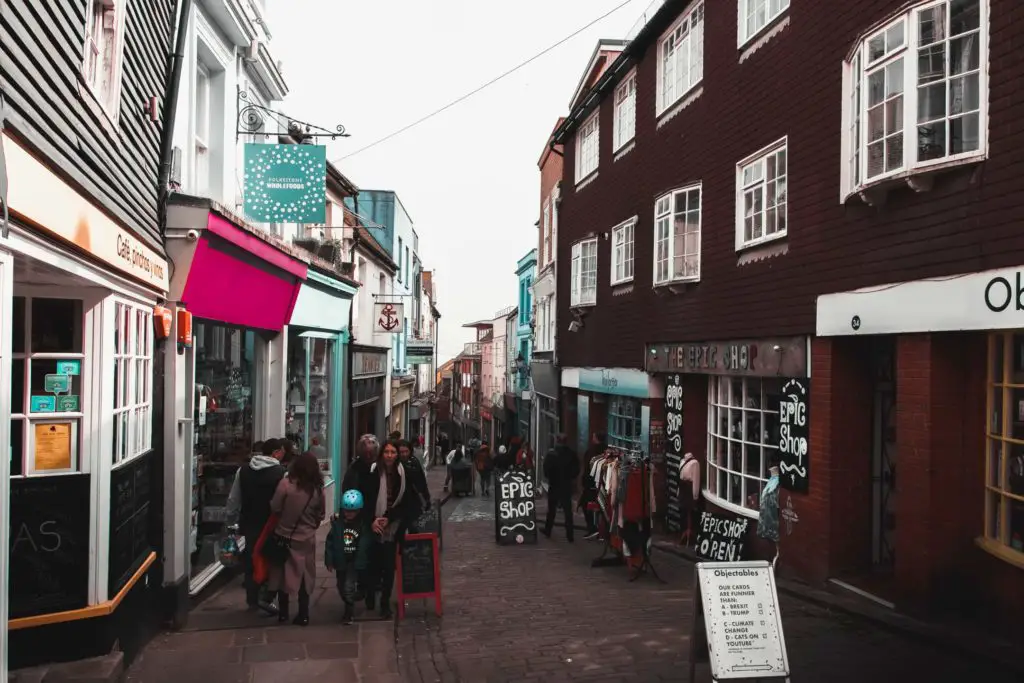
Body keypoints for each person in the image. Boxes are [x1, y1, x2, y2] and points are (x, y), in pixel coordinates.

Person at [225, 437, 286, 611]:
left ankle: (252, 598)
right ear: (275, 453)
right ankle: (266, 597)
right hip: (272, 524)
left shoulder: (243, 471)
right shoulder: (281, 472)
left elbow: (233, 499)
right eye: (282, 451)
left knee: (252, 558)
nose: (283, 454)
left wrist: (230, 521)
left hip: (250, 522)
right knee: (272, 559)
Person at [266, 451, 326, 626]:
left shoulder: (285, 485)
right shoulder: (317, 490)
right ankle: (304, 614)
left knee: (283, 574)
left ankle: (283, 613)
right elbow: (321, 514)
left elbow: (275, 507)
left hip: (284, 536)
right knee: (305, 576)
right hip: (306, 539)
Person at [365, 439, 418, 619]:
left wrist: (390, 518)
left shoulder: (403, 474)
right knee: (372, 565)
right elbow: (366, 499)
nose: (389, 456)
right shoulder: (372, 472)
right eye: (386, 452)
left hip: (392, 526)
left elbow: (406, 503)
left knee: (388, 567)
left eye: (393, 452)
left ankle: (385, 603)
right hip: (373, 524)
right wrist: (372, 520)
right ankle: (370, 595)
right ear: (381, 454)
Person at [325, 489, 373, 625]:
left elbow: (364, 543)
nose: (349, 514)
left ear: (359, 511)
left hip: (353, 561)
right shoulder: (338, 525)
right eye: (346, 510)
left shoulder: (362, 525)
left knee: (348, 586)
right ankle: (349, 601)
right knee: (340, 586)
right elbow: (330, 542)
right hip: (341, 560)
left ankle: (349, 611)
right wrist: (329, 560)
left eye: (352, 511)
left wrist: (361, 559)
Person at [542, 434, 580, 542]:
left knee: (551, 510)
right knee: (568, 511)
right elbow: (576, 470)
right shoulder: (571, 454)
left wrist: (551, 477)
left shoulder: (551, 454)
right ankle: (570, 535)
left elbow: (546, 470)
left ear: (557, 441)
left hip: (554, 485)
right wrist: (570, 477)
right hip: (566, 485)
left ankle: (548, 530)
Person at [579, 433, 607, 540]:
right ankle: (602, 529)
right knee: (602, 507)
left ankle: (592, 528)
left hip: (591, 484)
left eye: (593, 436)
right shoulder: (606, 451)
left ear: (595, 438)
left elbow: (587, 469)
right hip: (604, 485)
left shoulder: (591, 452)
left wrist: (585, 482)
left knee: (586, 505)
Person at [398, 438, 430, 513]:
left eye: (406, 451)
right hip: (400, 502)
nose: (404, 454)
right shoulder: (395, 465)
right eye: (401, 452)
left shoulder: (414, 462)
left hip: (415, 500)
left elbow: (421, 480)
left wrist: (426, 497)